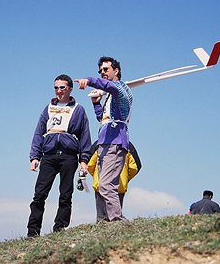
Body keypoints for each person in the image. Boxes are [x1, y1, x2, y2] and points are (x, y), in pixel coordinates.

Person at [27, 74, 91, 237]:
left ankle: (60, 229)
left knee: (65, 194)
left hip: (69, 155)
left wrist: (84, 160)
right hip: (49, 155)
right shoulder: (48, 108)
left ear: (70, 89)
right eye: (56, 87)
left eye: (62, 87)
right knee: (39, 194)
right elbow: (38, 133)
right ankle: (33, 231)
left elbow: (85, 135)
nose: (58, 90)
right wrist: (35, 157)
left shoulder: (78, 109)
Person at [75, 56, 133, 221]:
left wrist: (89, 80)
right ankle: (110, 220)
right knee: (105, 185)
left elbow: (106, 85)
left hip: (115, 141)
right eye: (100, 71)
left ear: (116, 71)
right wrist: (95, 103)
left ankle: (117, 220)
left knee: (106, 185)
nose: (102, 73)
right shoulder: (110, 96)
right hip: (105, 141)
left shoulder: (120, 89)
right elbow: (103, 119)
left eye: (105, 69)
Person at [87, 141, 141, 222]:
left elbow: (89, 164)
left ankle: (102, 227)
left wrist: (96, 176)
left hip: (100, 185)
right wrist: (126, 178)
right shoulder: (127, 145)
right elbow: (135, 167)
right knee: (115, 215)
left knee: (102, 220)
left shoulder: (99, 143)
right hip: (119, 185)